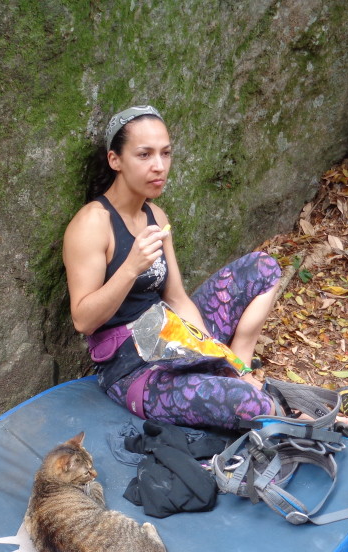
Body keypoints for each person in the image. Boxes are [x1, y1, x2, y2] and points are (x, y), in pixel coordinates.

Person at [62, 104, 282, 432]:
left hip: (171, 336)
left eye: (166, 154)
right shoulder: (92, 224)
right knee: (255, 406)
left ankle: (240, 366)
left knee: (262, 268)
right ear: (115, 160)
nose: (159, 166)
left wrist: (223, 359)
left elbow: (177, 298)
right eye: (144, 155)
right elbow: (83, 320)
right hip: (131, 369)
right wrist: (130, 268)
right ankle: (237, 387)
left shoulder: (157, 217)